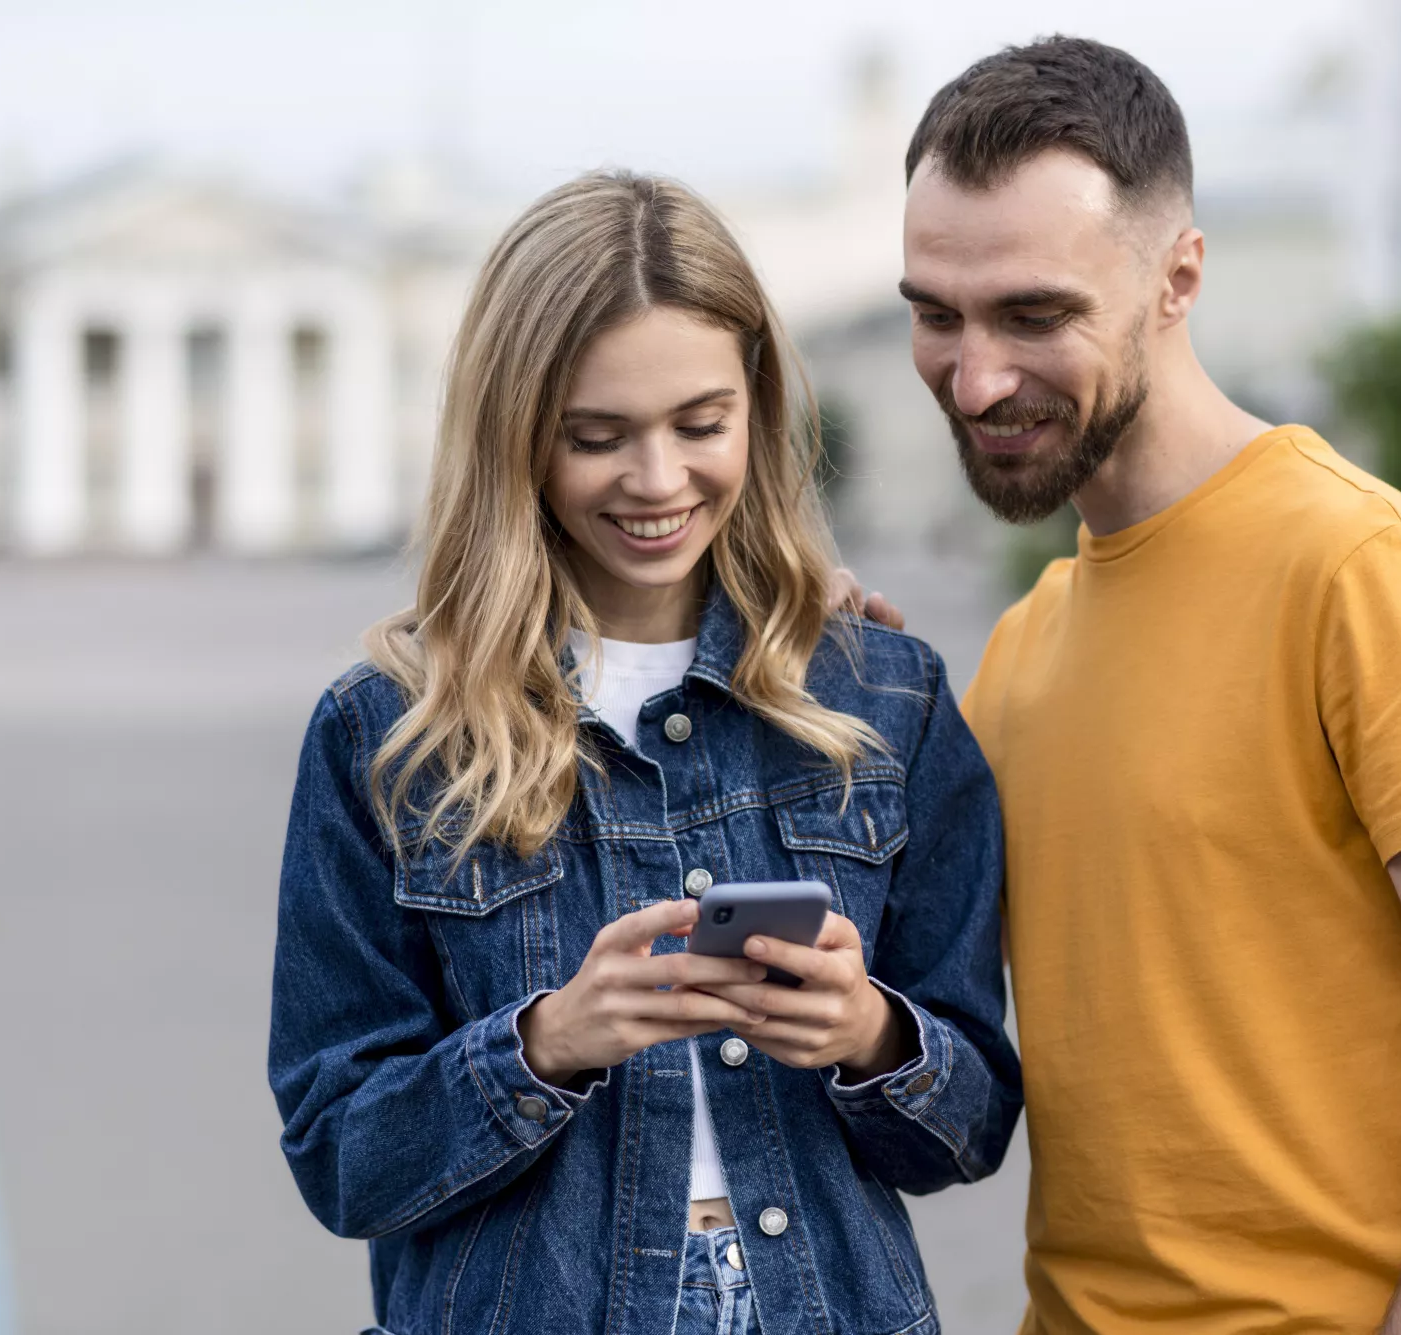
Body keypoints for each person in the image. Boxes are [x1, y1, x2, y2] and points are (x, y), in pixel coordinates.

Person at [893, 36, 1401, 1335]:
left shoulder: (1356, 566)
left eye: (1034, 313)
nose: (977, 373)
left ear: (1179, 278)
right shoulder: (1025, 642)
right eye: (937, 312)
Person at [268, 170, 1021, 1335]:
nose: (658, 481)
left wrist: (869, 1034)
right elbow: (341, 1159)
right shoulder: (387, 733)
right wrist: (546, 1045)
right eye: (596, 437)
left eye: (699, 425)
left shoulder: (883, 694)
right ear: (513, 432)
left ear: (757, 407)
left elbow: (968, 1127)